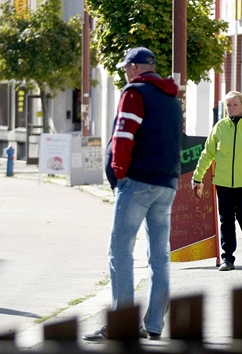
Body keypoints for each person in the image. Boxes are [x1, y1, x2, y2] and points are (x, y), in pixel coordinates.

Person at [84, 47, 183, 341]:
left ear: (136, 68)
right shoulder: (171, 98)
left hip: (138, 181)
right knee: (160, 257)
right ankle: (154, 324)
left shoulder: (135, 93)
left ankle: (122, 323)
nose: (126, 72)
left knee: (121, 253)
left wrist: (118, 173)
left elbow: (123, 136)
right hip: (167, 182)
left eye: (128, 67)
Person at [191, 91, 242, 271]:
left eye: (235, 104)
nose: (231, 108)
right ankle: (228, 258)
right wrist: (198, 176)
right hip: (223, 182)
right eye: (228, 105)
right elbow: (207, 154)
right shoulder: (220, 127)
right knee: (226, 219)